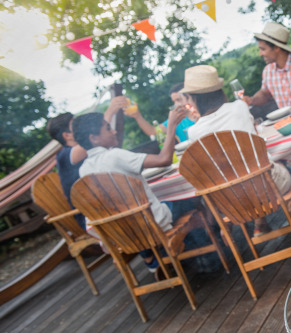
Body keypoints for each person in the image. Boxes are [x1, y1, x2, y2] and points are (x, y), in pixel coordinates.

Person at [72, 107, 198, 274]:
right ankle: (206, 252)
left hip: (125, 233)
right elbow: (164, 159)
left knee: (146, 207)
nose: (115, 131)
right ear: (94, 138)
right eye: (108, 128)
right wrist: (171, 127)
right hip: (152, 225)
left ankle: (157, 258)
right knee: (191, 197)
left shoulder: (84, 170)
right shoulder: (114, 155)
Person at [182, 64, 291, 237]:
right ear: (218, 91)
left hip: (233, 202)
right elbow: (257, 142)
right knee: (286, 165)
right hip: (269, 188)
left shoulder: (194, 132)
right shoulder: (239, 107)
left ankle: (261, 226)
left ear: (196, 99)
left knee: (247, 176)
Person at [45, 96, 128, 229]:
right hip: (92, 218)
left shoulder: (91, 153)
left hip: (108, 206)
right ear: (67, 136)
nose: (81, 127)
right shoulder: (65, 156)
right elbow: (94, 138)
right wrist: (110, 111)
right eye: (75, 125)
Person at [243, 22, 291, 111]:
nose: (260, 54)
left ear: (277, 48)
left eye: (263, 49)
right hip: (289, 122)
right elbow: (264, 94)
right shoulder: (268, 71)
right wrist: (251, 100)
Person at [125, 83, 199, 143]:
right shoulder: (177, 119)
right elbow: (152, 131)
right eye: (174, 101)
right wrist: (137, 116)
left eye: (178, 100)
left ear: (189, 97)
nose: (176, 104)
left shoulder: (202, 112)